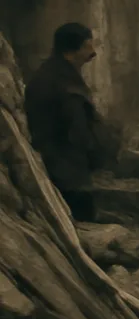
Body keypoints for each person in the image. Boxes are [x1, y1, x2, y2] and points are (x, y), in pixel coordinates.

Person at [25, 23, 115, 223]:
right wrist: (93, 151)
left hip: (66, 161)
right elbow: (76, 129)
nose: (93, 53)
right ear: (71, 51)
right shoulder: (59, 82)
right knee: (79, 218)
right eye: (87, 46)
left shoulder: (59, 74)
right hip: (64, 165)